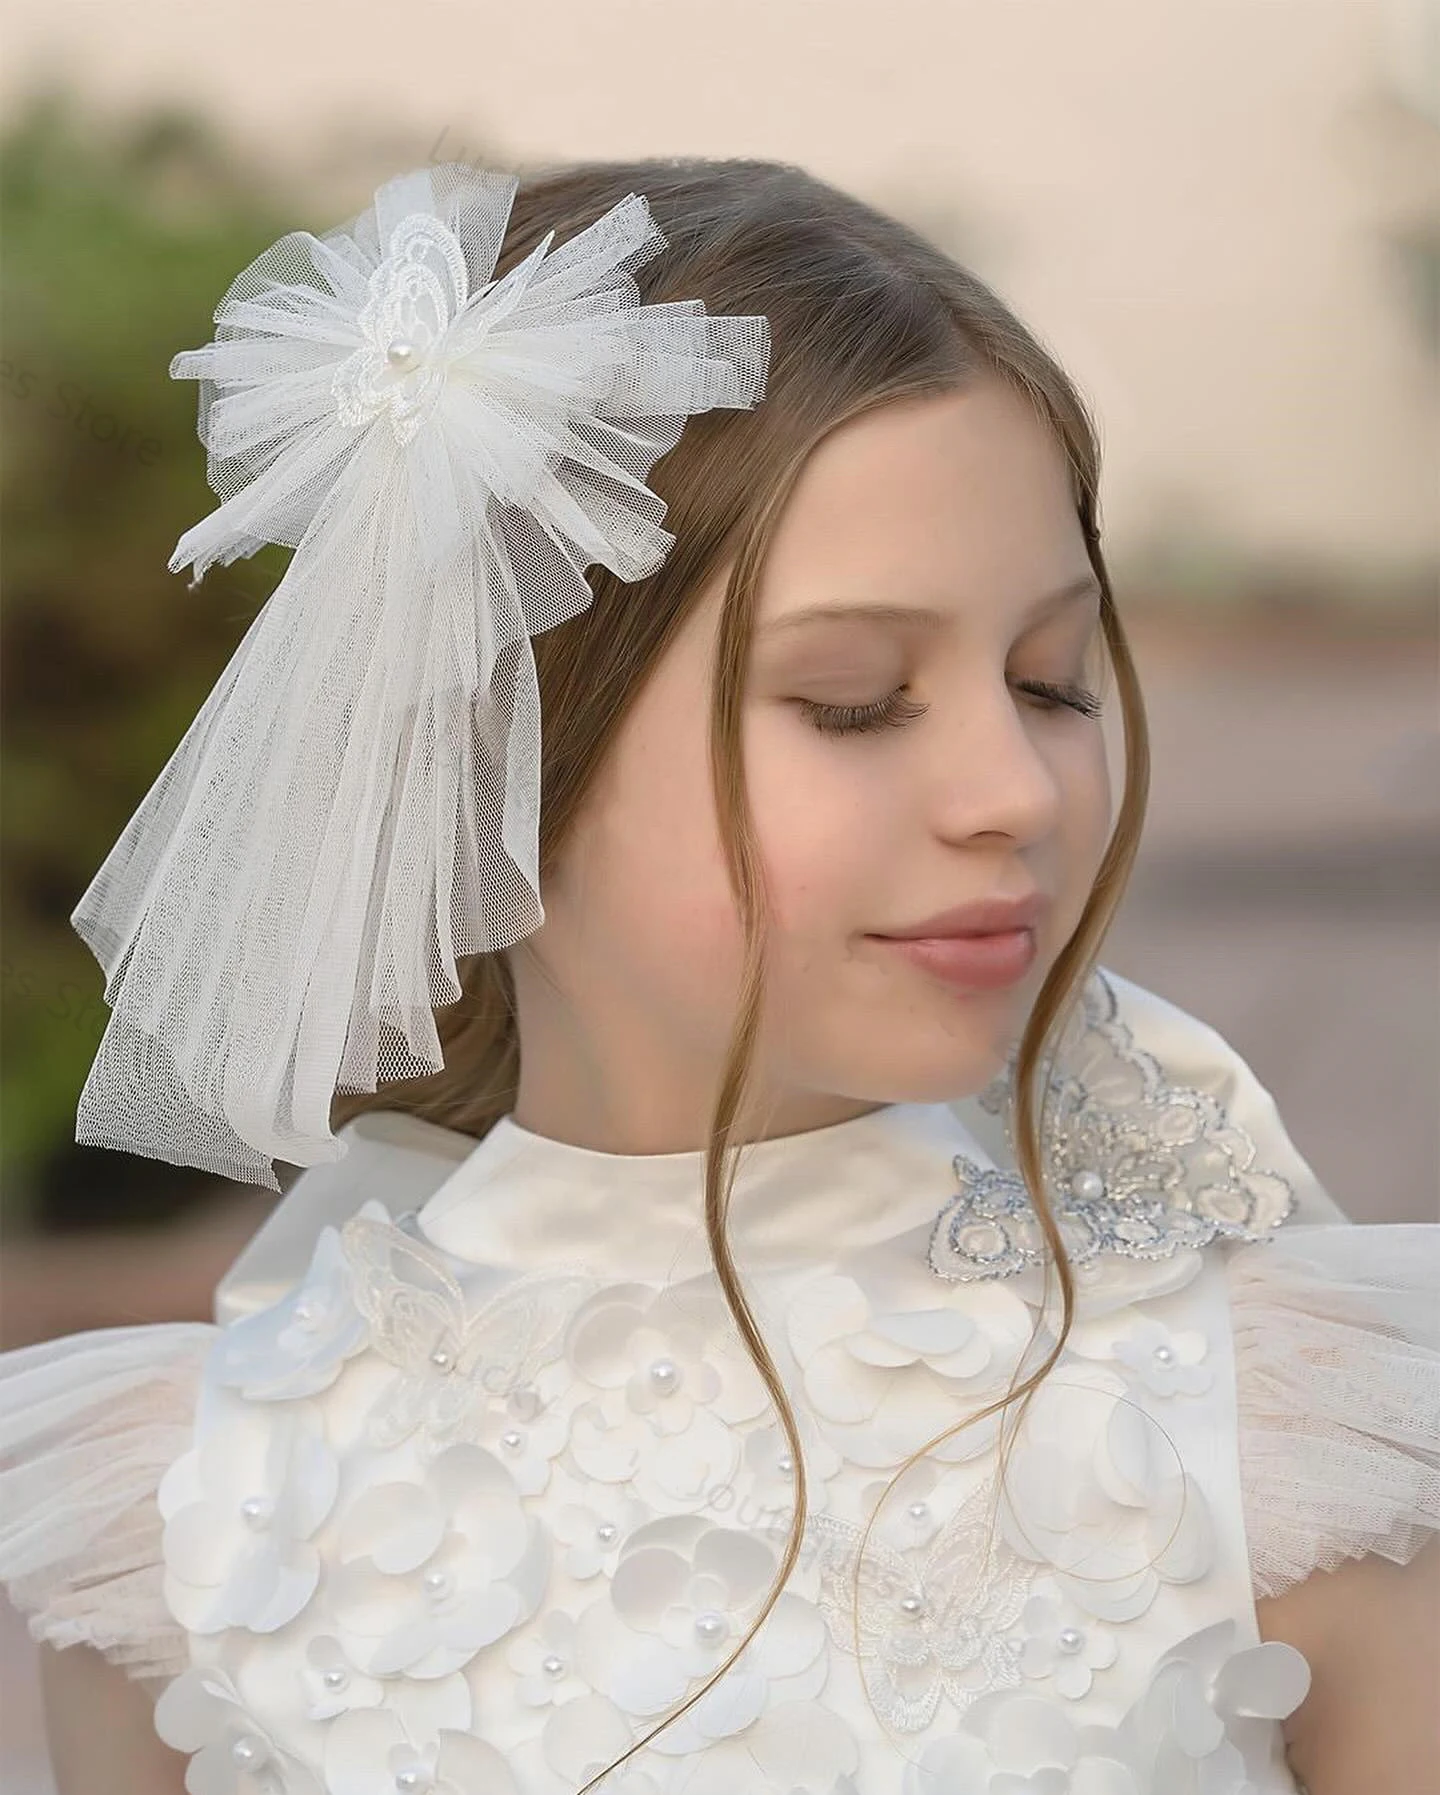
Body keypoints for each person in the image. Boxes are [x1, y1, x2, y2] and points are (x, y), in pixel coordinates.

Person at [0, 156, 1435, 1795]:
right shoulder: (193, 1527)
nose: (1017, 792)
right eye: (849, 700)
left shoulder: (1285, 1437)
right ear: (496, 752)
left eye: (1052, 677)